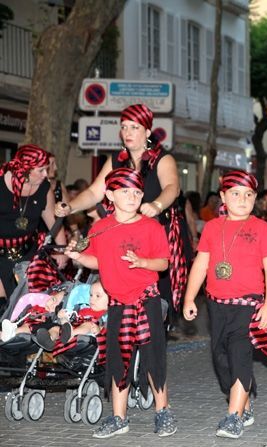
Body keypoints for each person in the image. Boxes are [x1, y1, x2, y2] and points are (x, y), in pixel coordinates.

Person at [63, 168, 176, 438]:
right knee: (117, 359)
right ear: (111, 195)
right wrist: (78, 257)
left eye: (137, 192)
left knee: (153, 356)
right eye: (125, 191)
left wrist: (142, 262)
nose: (132, 197)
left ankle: (163, 411)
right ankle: (118, 417)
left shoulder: (151, 226)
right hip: (117, 304)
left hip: (146, 299)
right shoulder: (100, 228)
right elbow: (96, 261)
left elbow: (163, 263)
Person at [56, 104, 189, 323]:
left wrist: (157, 205)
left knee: (158, 291)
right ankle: (117, 329)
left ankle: (157, 329)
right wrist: (70, 207)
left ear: (147, 131)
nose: (128, 132)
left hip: (157, 230)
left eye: (134, 127)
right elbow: (94, 192)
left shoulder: (162, 158)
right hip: (123, 231)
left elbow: (172, 188)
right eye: (124, 127)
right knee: (117, 282)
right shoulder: (116, 160)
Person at [182, 170, 267, 440]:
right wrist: (190, 297)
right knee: (221, 360)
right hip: (217, 306)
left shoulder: (262, 228)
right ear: (223, 197)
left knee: (239, 355)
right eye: (235, 193)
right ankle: (243, 404)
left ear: (255, 199)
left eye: (248, 194)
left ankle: (233, 416)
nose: (242, 199)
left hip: (248, 305)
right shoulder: (213, 228)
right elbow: (201, 264)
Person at [0, 145, 65, 307]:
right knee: (4, 304)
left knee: (29, 304)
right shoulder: (1, 183)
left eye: (46, 169)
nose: (46, 175)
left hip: (27, 253)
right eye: (41, 170)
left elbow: (53, 221)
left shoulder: (43, 187)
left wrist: (61, 250)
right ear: (25, 169)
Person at [34, 281, 109, 351]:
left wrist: (99, 329)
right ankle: (49, 339)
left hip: (87, 329)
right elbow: (72, 315)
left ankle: (71, 334)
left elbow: (107, 331)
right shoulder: (83, 307)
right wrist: (63, 315)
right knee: (56, 328)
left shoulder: (107, 315)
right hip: (71, 325)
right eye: (91, 295)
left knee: (89, 324)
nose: (92, 298)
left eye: (98, 296)